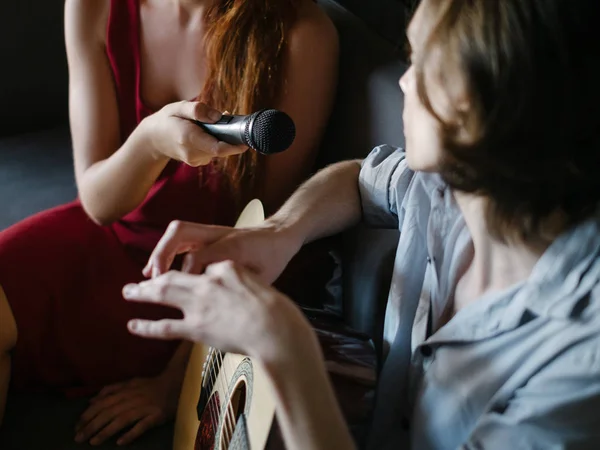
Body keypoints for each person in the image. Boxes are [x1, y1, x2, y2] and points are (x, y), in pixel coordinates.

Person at [123, 0, 600, 448]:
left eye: (422, 64)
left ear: (488, 107)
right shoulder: (448, 182)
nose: (403, 82)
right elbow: (358, 178)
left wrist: (286, 355)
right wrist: (277, 232)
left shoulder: (579, 364)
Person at [0, 0, 338, 445]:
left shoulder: (299, 33)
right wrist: (150, 142)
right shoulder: (91, 6)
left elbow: (264, 236)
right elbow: (100, 204)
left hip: (212, 279)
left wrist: (173, 385)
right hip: (111, 238)